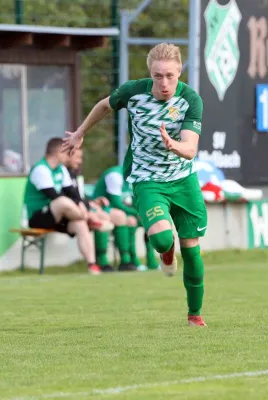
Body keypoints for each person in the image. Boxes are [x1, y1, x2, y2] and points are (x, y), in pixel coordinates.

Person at [62, 43, 207, 327]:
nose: (164, 83)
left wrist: (173, 145)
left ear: (179, 71)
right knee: (164, 239)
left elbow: (190, 150)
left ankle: (194, 315)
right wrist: (80, 132)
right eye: (157, 76)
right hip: (146, 179)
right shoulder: (134, 92)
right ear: (150, 74)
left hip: (183, 180)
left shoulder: (190, 100)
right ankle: (165, 251)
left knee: (191, 249)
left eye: (170, 76)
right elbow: (105, 105)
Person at [23, 138, 101, 275]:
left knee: (80, 224)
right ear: (59, 153)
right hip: (38, 217)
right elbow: (54, 196)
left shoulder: (61, 169)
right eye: (67, 152)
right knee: (62, 202)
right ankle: (89, 217)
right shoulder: (40, 169)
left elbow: (73, 193)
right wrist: (85, 211)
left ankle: (92, 265)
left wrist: (81, 205)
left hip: (60, 216)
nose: (70, 156)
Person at [92, 165, 159, 272]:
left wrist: (144, 212)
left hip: (122, 210)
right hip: (102, 208)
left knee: (150, 220)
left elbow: (137, 200)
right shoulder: (115, 175)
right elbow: (116, 202)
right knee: (126, 219)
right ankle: (126, 260)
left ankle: (151, 261)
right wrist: (136, 212)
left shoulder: (136, 177)